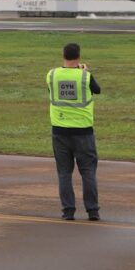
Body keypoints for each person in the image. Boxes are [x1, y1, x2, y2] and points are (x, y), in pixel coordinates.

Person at [46, 43, 101, 221]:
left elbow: (51, 90)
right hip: (83, 131)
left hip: (59, 131)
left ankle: (68, 211)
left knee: (64, 173)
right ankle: (92, 211)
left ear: (63, 55)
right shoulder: (85, 76)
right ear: (78, 56)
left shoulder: (52, 74)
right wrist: (84, 72)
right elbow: (97, 90)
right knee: (88, 172)